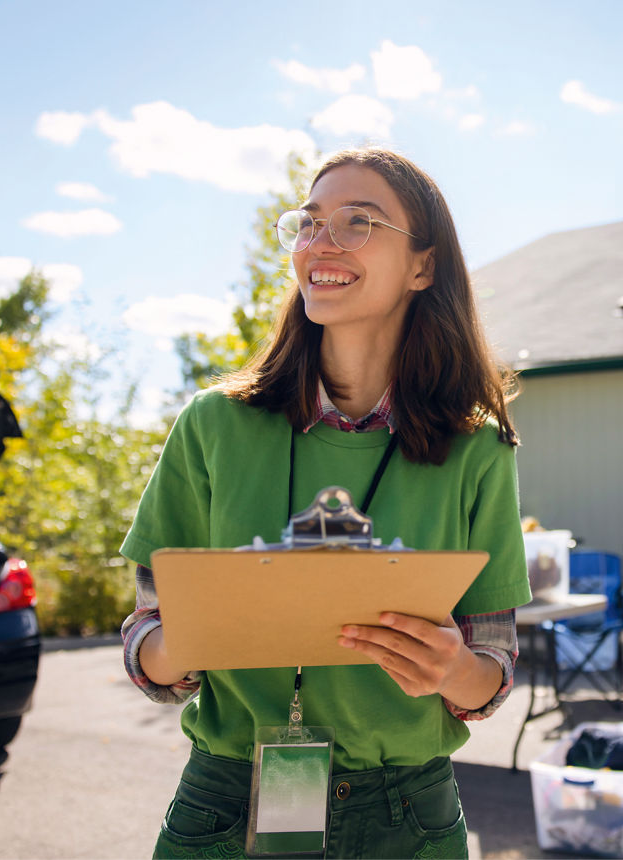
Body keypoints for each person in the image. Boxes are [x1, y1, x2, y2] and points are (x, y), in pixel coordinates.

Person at [119, 147, 532, 858]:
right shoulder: (212, 426)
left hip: (409, 811)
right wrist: (182, 644)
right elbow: (145, 641)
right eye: (308, 224)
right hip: (227, 801)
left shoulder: (479, 448)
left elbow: (491, 663)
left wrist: (453, 669)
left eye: (359, 221)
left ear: (423, 267)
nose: (321, 243)